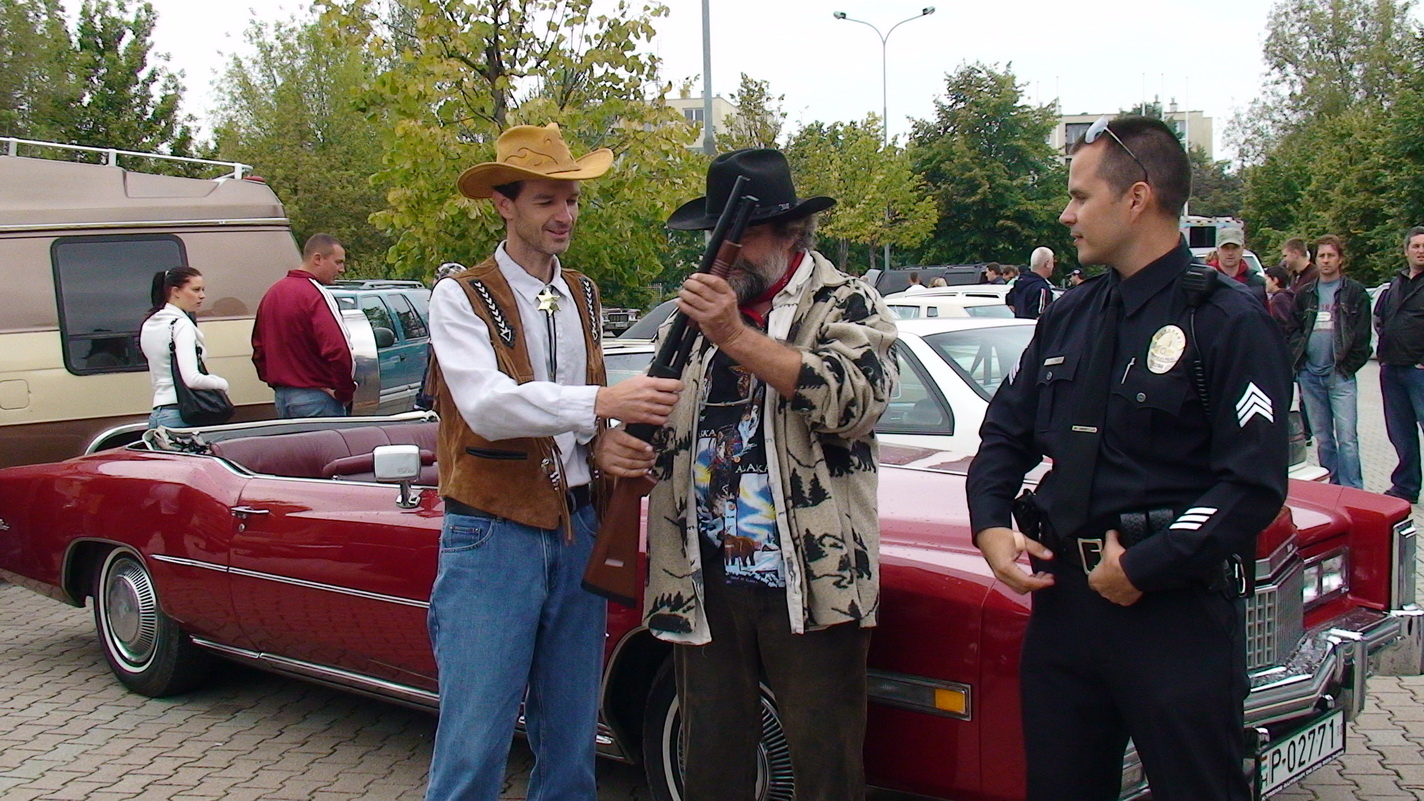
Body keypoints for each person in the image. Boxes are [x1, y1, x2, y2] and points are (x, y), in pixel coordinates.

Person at [966, 116, 1289, 801]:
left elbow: (1251, 483)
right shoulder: (1071, 313)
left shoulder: (1225, 320)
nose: (1067, 214)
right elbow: (1005, 433)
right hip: (1065, 608)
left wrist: (1146, 565)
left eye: (1081, 196)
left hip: (1171, 614)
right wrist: (989, 521)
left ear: (1136, 198)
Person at [596, 148, 899, 801]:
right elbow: (659, 431)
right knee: (711, 766)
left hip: (810, 581)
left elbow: (855, 403)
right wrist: (618, 451)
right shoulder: (689, 324)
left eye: (741, 235)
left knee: (825, 769)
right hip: (703, 577)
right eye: (716, 235)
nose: (722, 252)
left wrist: (735, 335)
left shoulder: (845, 302)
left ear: (791, 233)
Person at [422, 123, 682, 801]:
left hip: (579, 527)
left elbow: (576, 416)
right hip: (492, 532)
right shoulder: (460, 295)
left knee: (571, 742)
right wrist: (601, 403)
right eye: (546, 200)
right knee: (474, 742)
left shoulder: (583, 295)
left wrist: (605, 442)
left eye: (571, 199)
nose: (564, 214)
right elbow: (486, 405)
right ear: (503, 205)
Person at [1286, 235, 1371, 489]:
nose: (1325, 260)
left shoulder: (1354, 292)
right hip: (1310, 376)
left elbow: (1362, 337)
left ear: (1340, 259)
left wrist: (1346, 368)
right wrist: (1300, 364)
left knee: (1347, 438)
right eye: (1321, 255)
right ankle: (1332, 488)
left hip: (1340, 376)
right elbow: (1293, 330)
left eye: (1331, 255)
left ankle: (1353, 489)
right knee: (1323, 438)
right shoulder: (1305, 294)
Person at [251, 234, 356, 417]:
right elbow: (339, 349)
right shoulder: (315, 294)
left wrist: (277, 380)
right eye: (338, 262)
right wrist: (344, 392)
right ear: (318, 259)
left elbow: (259, 348)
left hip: (283, 397)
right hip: (317, 397)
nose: (341, 269)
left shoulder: (272, 293)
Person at [140, 267, 231, 429]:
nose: (202, 296)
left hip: (159, 413)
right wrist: (221, 383)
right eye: (196, 290)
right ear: (175, 291)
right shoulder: (181, 325)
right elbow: (192, 379)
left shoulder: (150, 323)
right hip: (181, 413)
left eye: (203, 290)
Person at [1374, 225, 1424, 503]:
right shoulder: (1396, 284)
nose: (1420, 251)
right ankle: (1406, 486)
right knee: (1401, 433)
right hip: (1392, 368)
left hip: (1418, 371)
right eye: (1415, 246)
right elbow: (1381, 318)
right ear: (1406, 251)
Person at [1208, 226, 1266, 304]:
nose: (1230, 253)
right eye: (1225, 248)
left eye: (1235, 248)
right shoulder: (1206, 278)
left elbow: (1264, 310)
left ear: (1243, 248)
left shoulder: (1256, 282)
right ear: (1218, 250)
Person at [1009, 247, 1056, 318]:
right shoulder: (1042, 288)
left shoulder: (1020, 284)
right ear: (1047, 264)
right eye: (1052, 263)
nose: (1053, 266)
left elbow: (1009, 301)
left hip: (1019, 324)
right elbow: (1041, 317)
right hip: (1032, 325)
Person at [1264, 263, 1295, 332]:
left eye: (1266, 280)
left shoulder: (1279, 299)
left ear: (1275, 280)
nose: (1264, 283)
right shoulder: (1286, 295)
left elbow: (1285, 322)